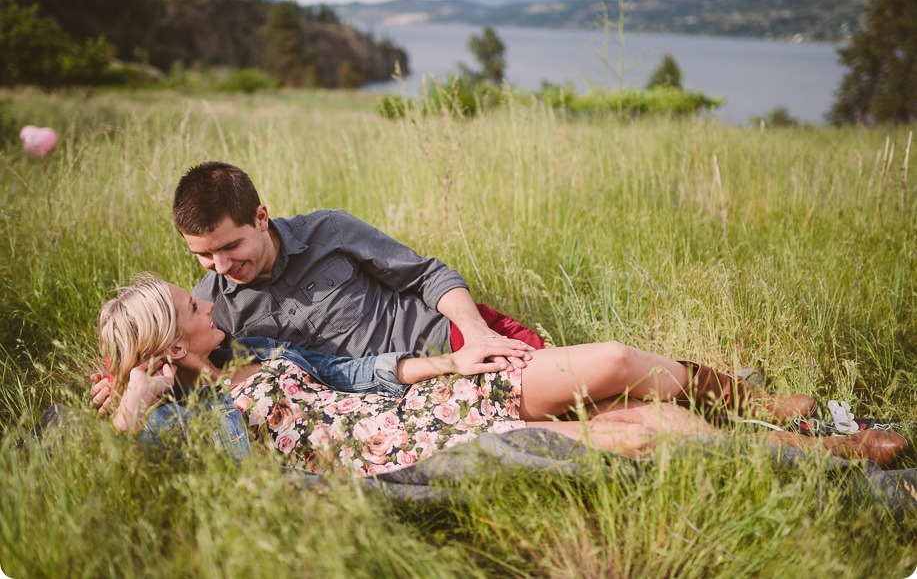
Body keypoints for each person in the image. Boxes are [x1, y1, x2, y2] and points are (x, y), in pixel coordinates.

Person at [97, 275, 908, 475]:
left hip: (427, 399)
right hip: (404, 450)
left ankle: (774, 405)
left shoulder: (266, 356)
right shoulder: (189, 424)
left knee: (617, 365)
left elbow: (360, 369)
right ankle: (831, 455)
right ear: (174, 344)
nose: (204, 297)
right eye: (188, 304)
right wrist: (133, 403)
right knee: (632, 431)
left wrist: (453, 356)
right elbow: (136, 461)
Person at [91, 161, 546, 412]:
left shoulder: (330, 230)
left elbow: (427, 275)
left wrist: (478, 332)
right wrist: (120, 385)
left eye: (230, 246)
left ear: (261, 217)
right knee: (544, 420)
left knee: (575, 389)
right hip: (382, 395)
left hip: (449, 337)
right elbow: (166, 354)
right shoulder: (208, 307)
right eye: (204, 255)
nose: (221, 265)